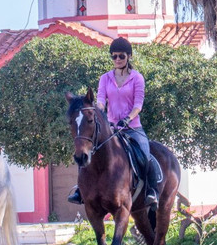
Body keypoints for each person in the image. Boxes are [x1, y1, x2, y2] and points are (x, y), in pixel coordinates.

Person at [68, 37, 160, 206]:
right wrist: (99, 113)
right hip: (110, 127)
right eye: (114, 56)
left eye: (121, 56)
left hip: (132, 127)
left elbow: (138, 104)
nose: (117, 59)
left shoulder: (137, 78)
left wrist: (127, 119)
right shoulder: (105, 78)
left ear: (129, 56)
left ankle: (151, 191)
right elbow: (101, 100)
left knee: (146, 156)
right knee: (87, 153)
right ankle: (80, 191)